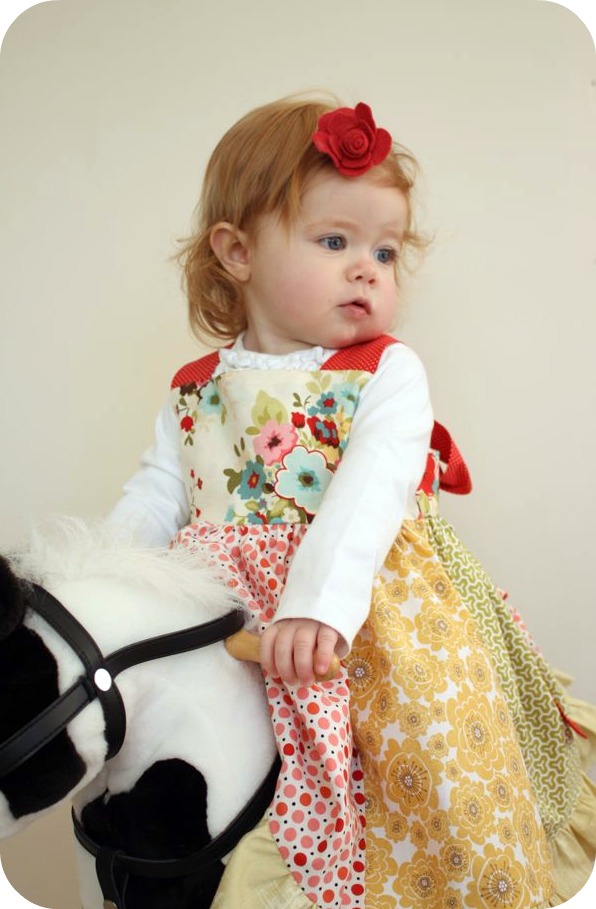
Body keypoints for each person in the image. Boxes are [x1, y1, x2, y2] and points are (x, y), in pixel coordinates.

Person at [109, 96, 596, 909]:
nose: (368, 267)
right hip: (233, 621)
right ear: (237, 251)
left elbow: (369, 495)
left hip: (363, 621)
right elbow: (157, 494)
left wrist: (316, 608)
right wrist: (104, 588)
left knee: (436, 766)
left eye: (385, 250)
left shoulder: (385, 372)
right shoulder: (194, 389)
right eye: (335, 241)